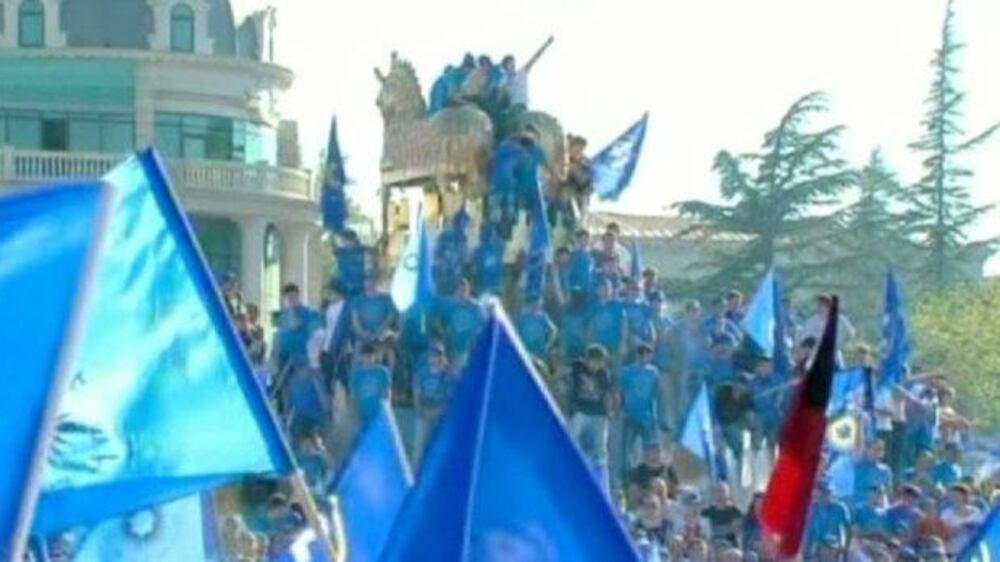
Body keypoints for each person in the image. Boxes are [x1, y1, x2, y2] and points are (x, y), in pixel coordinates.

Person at [568, 344, 616, 489]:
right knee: (573, 436)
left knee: (600, 446)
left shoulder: (604, 375)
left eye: (600, 362)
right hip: (580, 410)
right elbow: (564, 375)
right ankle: (570, 463)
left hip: (598, 413)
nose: (596, 365)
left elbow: (608, 394)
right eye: (594, 361)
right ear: (587, 360)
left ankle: (602, 480)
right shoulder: (578, 367)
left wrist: (609, 412)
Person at [618, 343, 663, 471]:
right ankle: (627, 475)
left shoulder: (653, 372)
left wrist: (657, 414)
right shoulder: (627, 371)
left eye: (650, 356)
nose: (649, 358)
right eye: (646, 355)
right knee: (627, 449)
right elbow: (620, 391)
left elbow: (656, 393)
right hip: (630, 415)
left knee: (649, 447)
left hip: (647, 416)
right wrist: (620, 409)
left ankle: (649, 471)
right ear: (638, 356)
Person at [412, 343, 456, 460]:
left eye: (437, 356)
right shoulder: (421, 373)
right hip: (422, 414)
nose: (434, 359)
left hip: (439, 416)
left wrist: (437, 413)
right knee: (419, 448)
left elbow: (449, 398)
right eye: (432, 356)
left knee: (438, 448)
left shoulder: (448, 376)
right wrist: (422, 411)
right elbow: (416, 394)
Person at [434, 278, 486, 369]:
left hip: (471, 350)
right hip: (453, 349)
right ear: (455, 291)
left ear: (469, 291)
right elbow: (437, 319)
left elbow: (484, 325)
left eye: (465, 290)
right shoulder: (448, 305)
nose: (462, 293)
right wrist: (442, 333)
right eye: (460, 290)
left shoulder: (477, 308)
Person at [272, 283, 320, 376]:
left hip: (299, 356)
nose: (291, 300)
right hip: (283, 355)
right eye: (288, 298)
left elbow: (295, 326)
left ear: (298, 296)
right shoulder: (283, 314)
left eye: (293, 297)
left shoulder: (305, 312)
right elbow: (280, 333)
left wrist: (291, 310)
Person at [500, 35, 554, 109]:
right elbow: (501, 94)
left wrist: (547, 44)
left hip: (522, 105)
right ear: (505, 67)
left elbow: (535, 57)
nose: (510, 65)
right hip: (511, 107)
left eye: (511, 62)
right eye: (507, 63)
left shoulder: (521, 72)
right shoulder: (503, 80)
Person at [804, 481, 851, 558]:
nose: (822, 497)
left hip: (835, 547)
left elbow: (847, 529)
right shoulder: (812, 509)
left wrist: (845, 548)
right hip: (818, 548)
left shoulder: (840, 508)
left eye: (825, 494)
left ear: (830, 494)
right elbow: (809, 534)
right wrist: (807, 554)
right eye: (819, 495)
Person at [348, 342, 392, 424]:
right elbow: (353, 395)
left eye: (371, 356)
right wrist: (354, 414)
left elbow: (387, 391)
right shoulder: (356, 374)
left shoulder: (383, 372)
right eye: (365, 356)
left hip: (379, 414)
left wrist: (387, 409)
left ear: (375, 356)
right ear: (361, 357)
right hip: (363, 414)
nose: (368, 359)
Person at [587, 279, 628, 366]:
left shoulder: (617, 306)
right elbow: (591, 326)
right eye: (601, 289)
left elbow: (624, 325)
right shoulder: (593, 307)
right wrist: (589, 344)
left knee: (615, 372)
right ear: (597, 290)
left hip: (614, 345)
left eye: (606, 289)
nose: (603, 291)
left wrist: (623, 343)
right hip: (599, 346)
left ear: (611, 290)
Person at [626, 441, 679, 507]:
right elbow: (633, 490)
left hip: (665, 505)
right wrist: (648, 492)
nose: (654, 455)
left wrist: (664, 485)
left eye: (656, 452)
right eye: (651, 453)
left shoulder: (668, 469)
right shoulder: (638, 471)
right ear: (645, 456)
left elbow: (675, 490)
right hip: (645, 504)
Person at [940, 483, 983, 557]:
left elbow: (979, 531)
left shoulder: (976, 512)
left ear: (964, 496)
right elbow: (942, 532)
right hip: (950, 551)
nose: (953, 497)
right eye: (951, 495)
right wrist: (961, 529)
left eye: (956, 494)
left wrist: (968, 528)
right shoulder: (946, 512)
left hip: (969, 551)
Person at [853, 439, 894, 508]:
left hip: (876, 508)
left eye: (881, 449)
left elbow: (889, 493)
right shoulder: (857, 466)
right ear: (867, 449)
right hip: (856, 505)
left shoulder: (885, 470)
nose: (878, 452)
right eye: (875, 449)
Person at [622, 277, 656, 359]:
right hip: (627, 343)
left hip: (644, 342)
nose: (635, 291)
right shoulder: (621, 306)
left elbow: (649, 324)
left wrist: (652, 341)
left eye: (638, 289)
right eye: (632, 288)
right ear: (627, 289)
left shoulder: (644, 306)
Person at [515, 296, 557, 361]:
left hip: (541, 354)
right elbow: (516, 333)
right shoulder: (522, 318)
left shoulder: (542, 316)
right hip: (526, 354)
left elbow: (554, 330)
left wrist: (548, 345)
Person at [470, 227, 506, 297]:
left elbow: (473, 270)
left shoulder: (478, 250)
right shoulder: (499, 249)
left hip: (483, 287)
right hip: (495, 287)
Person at [333, 230, 368, 298]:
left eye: (347, 240)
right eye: (343, 241)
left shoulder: (361, 251)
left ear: (353, 240)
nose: (345, 243)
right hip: (345, 286)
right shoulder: (340, 252)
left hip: (359, 285)